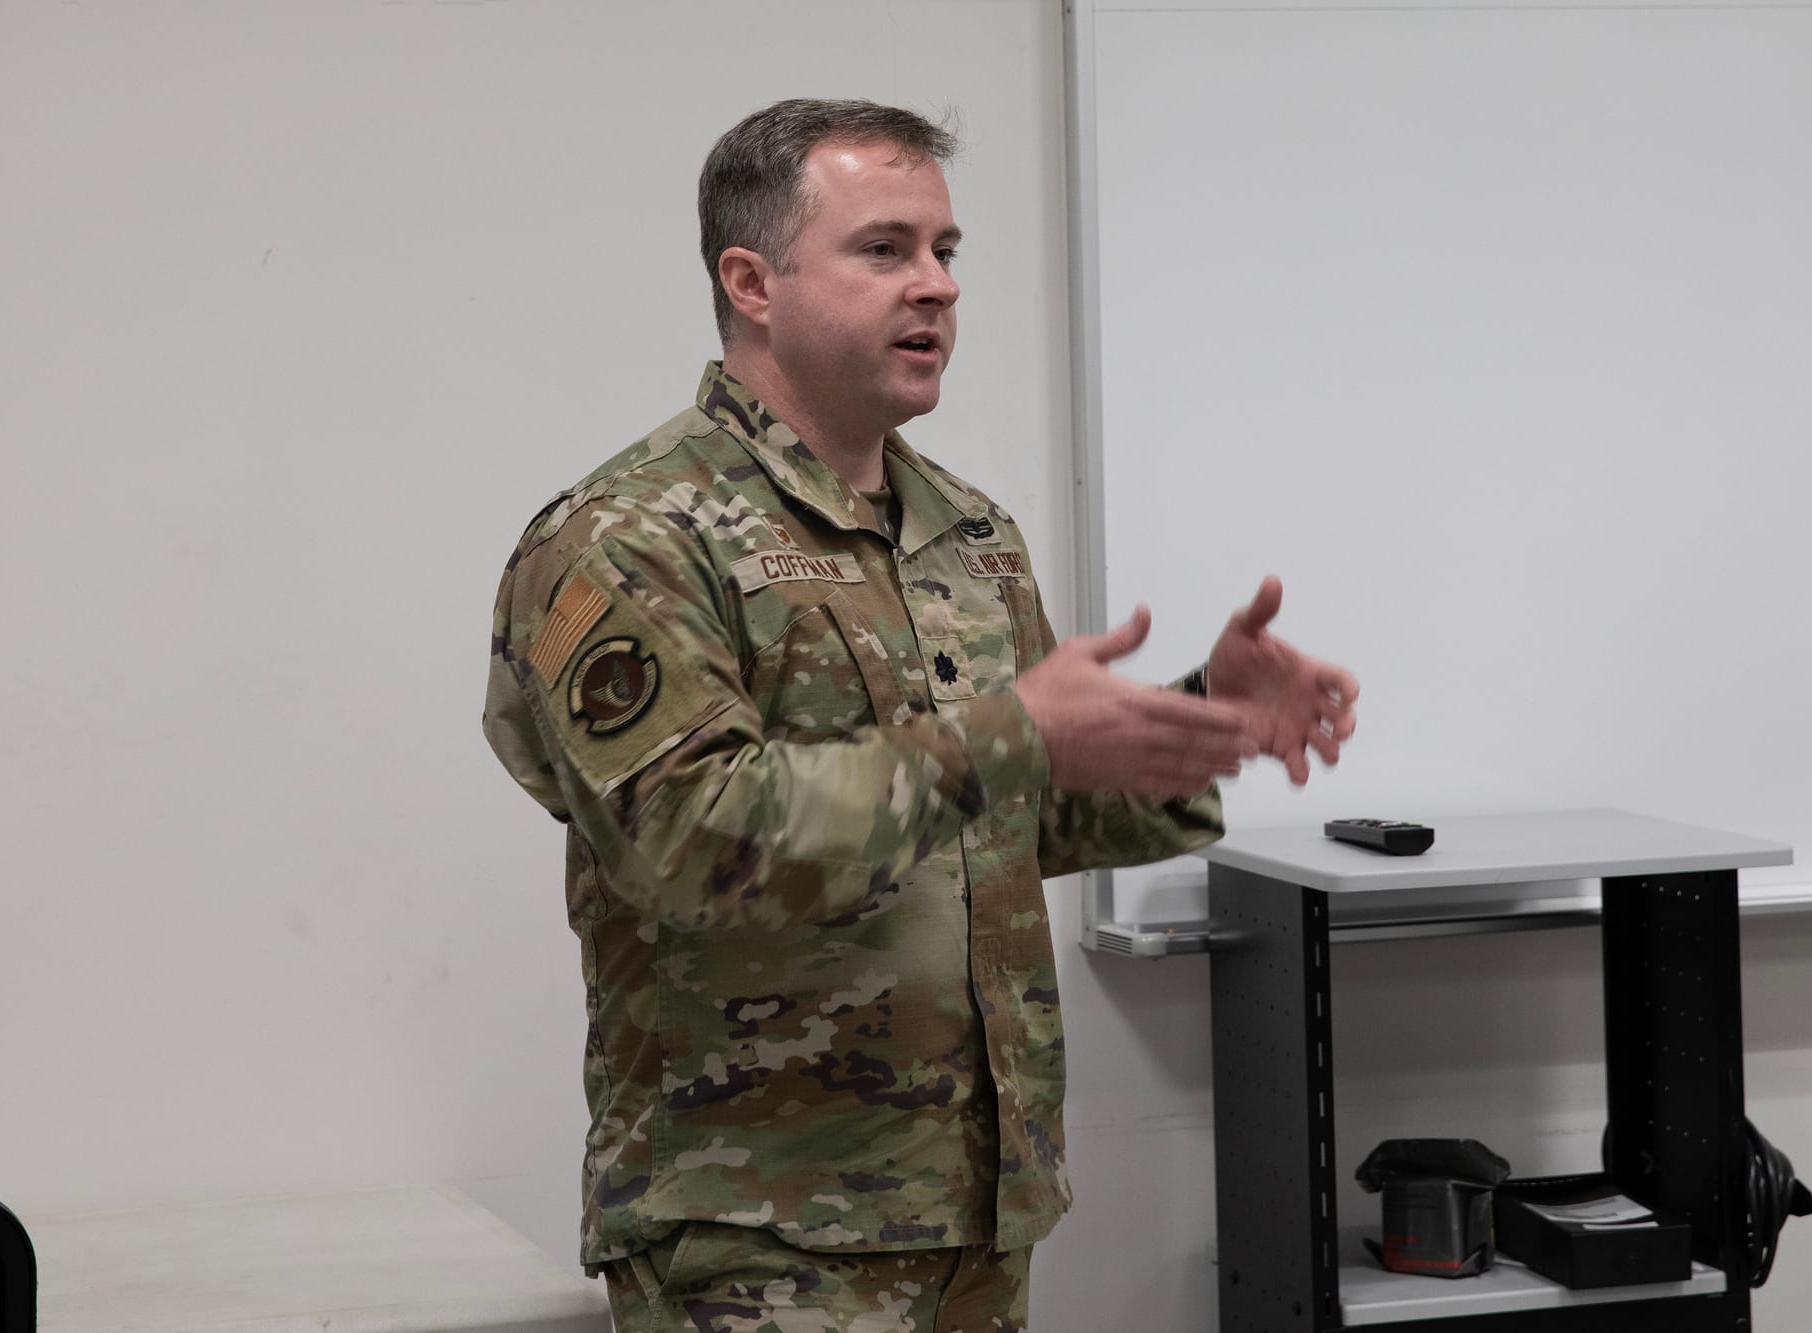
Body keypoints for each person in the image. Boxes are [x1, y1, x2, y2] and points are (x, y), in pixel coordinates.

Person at [482, 98, 1358, 1333]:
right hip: (761, 1237)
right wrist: (1007, 735)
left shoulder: (967, 530)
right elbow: (688, 839)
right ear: (751, 282)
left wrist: (1199, 718)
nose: (936, 285)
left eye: (945, 251)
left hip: (976, 1214)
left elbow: (1009, 819)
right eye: (884, 249)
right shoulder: (628, 536)